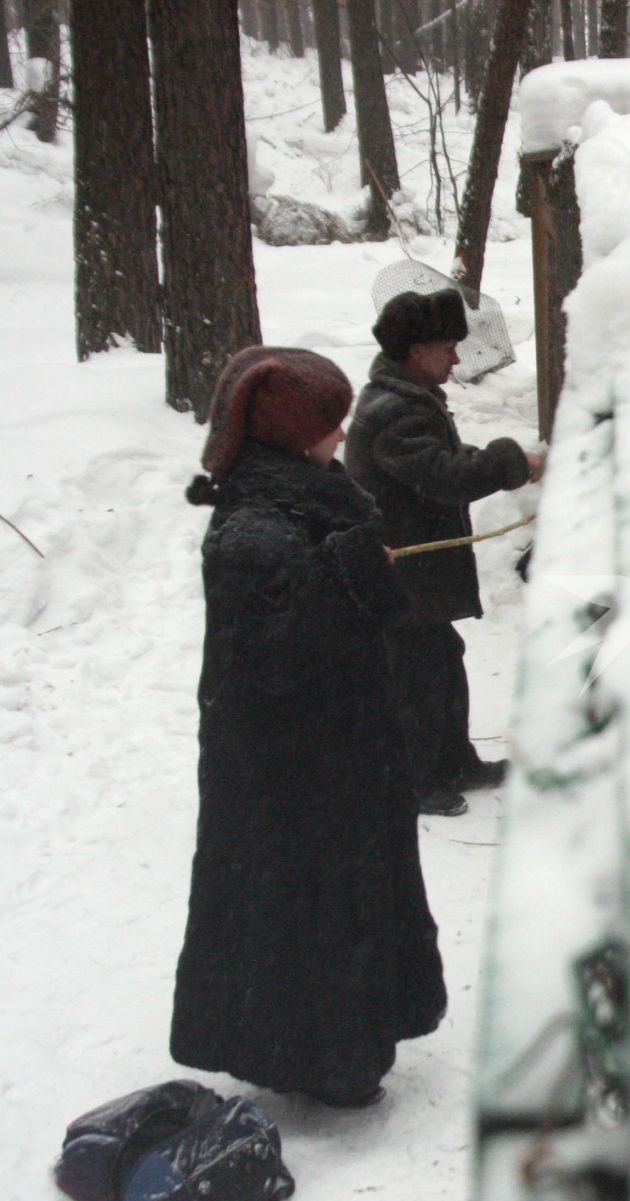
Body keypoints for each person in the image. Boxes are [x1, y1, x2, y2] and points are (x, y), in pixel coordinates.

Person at [172, 346, 446, 1109]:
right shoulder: (253, 529)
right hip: (292, 771)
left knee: (343, 903)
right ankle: (319, 1059)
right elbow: (276, 659)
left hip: (336, 756)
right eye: (331, 421)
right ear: (295, 432)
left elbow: (331, 606)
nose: (342, 432)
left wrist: (357, 566)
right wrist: (356, 571)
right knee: (309, 911)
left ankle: (346, 1042)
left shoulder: (308, 498)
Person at [344, 288, 542, 817]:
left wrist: (499, 460)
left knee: (440, 658)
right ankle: (413, 779)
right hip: (398, 569)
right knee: (415, 673)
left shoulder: (405, 398)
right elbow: (443, 477)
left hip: (414, 567)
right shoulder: (395, 412)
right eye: (447, 346)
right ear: (415, 351)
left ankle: (453, 760)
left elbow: (440, 463)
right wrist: (511, 461)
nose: (457, 357)